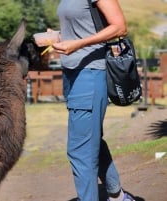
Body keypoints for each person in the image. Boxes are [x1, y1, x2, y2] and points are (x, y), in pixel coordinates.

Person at [38, 0, 135, 201]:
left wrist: (78, 43)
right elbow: (84, 27)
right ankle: (118, 197)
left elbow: (119, 27)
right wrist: (61, 35)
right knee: (91, 142)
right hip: (72, 74)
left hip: (89, 73)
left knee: (79, 151)